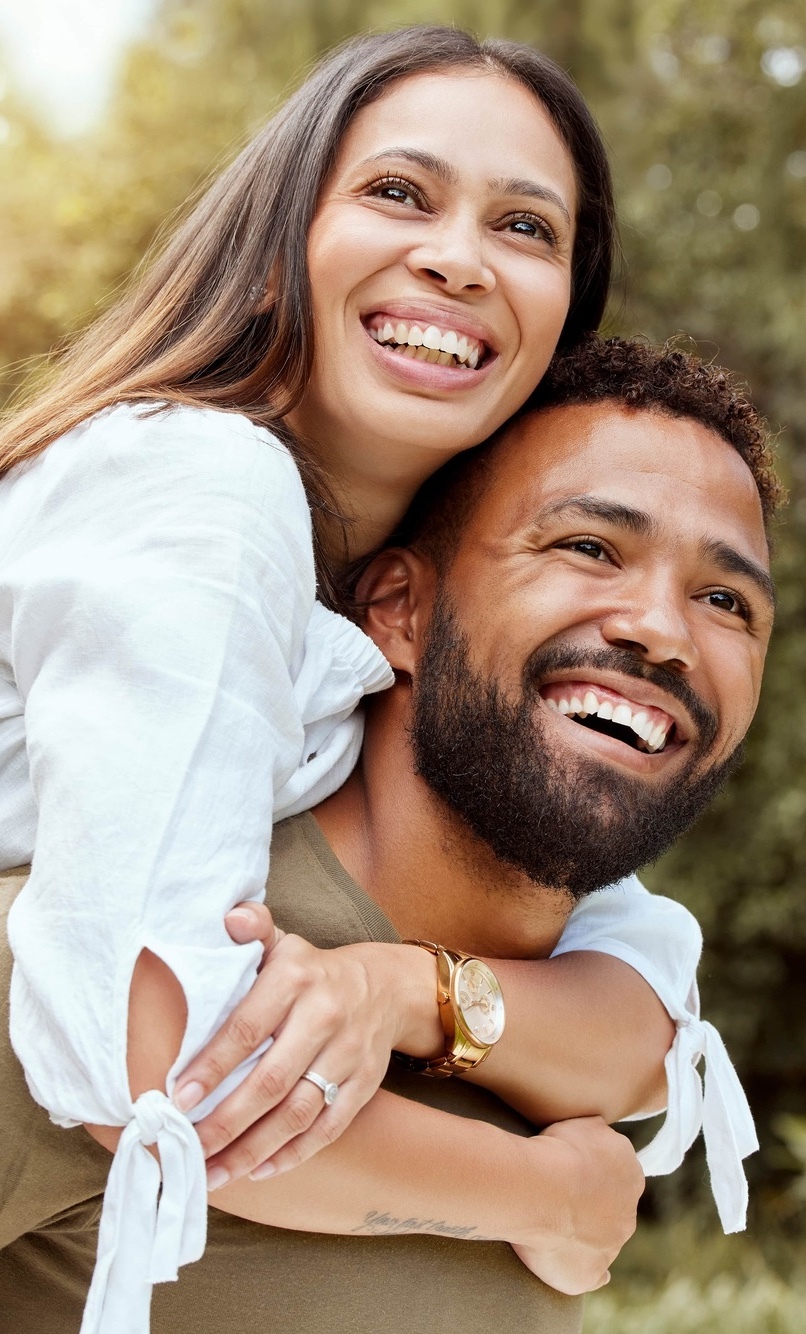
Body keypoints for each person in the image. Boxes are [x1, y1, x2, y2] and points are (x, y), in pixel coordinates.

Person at [0, 23, 745, 1330]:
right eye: (399, 192)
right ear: (284, 234)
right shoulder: (201, 489)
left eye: (524, 228)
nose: (456, 257)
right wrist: (537, 1189)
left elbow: (638, 971)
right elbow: (162, 1071)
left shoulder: (383, 607)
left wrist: (405, 987)